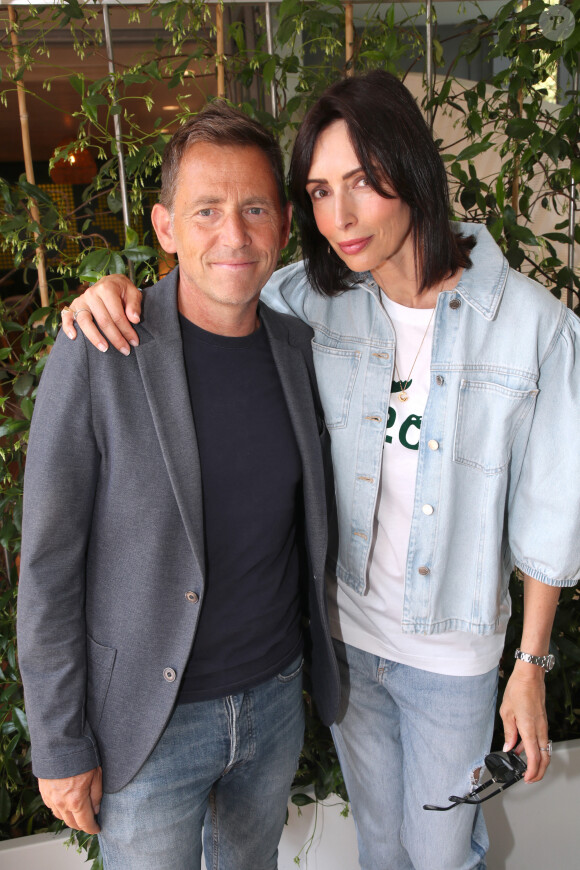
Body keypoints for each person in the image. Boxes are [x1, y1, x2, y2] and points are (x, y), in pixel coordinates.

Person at [61, 71, 580, 870]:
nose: (342, 217)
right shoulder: (315, 301)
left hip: (454, 653)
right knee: (381, 847)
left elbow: (551, 515)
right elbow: (216, 275)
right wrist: (112, 293)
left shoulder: (534, 328)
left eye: (365, 185)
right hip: (350, 646)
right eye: (321, 190)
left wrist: (531, 667)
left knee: (442, 855)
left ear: (411, 171)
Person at [17, 103, 340, 870]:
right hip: (148, 725)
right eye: (206, 211)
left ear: (284, 222)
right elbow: (49, 563)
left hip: (271, 704)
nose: (234, 235)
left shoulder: (296, 348)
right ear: (165, 227)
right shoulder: (101, 348)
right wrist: (60, 741)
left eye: (255, 208)